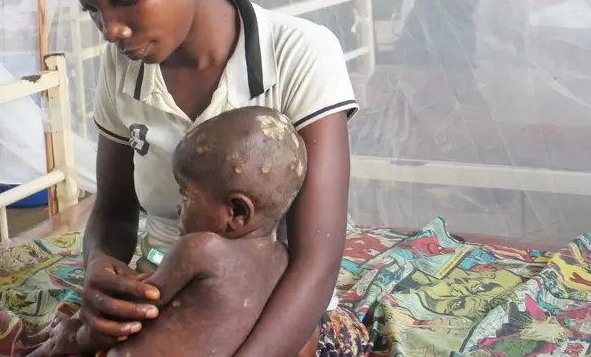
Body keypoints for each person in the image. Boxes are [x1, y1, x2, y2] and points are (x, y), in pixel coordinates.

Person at [61, 0, 368, 356]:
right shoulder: (124, 68)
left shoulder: (298, 54)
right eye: (94, 10)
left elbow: (318, 258)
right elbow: (114, 212)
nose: (112, 29)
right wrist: (100, 267)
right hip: (166, 296)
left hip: (271, 313)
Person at [28, 107, 350, 357]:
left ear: (236, 212)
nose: (178, 207)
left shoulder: (200, 249)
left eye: (185, 194)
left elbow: (133, 311)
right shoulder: (285, 262)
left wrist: (76, 336)